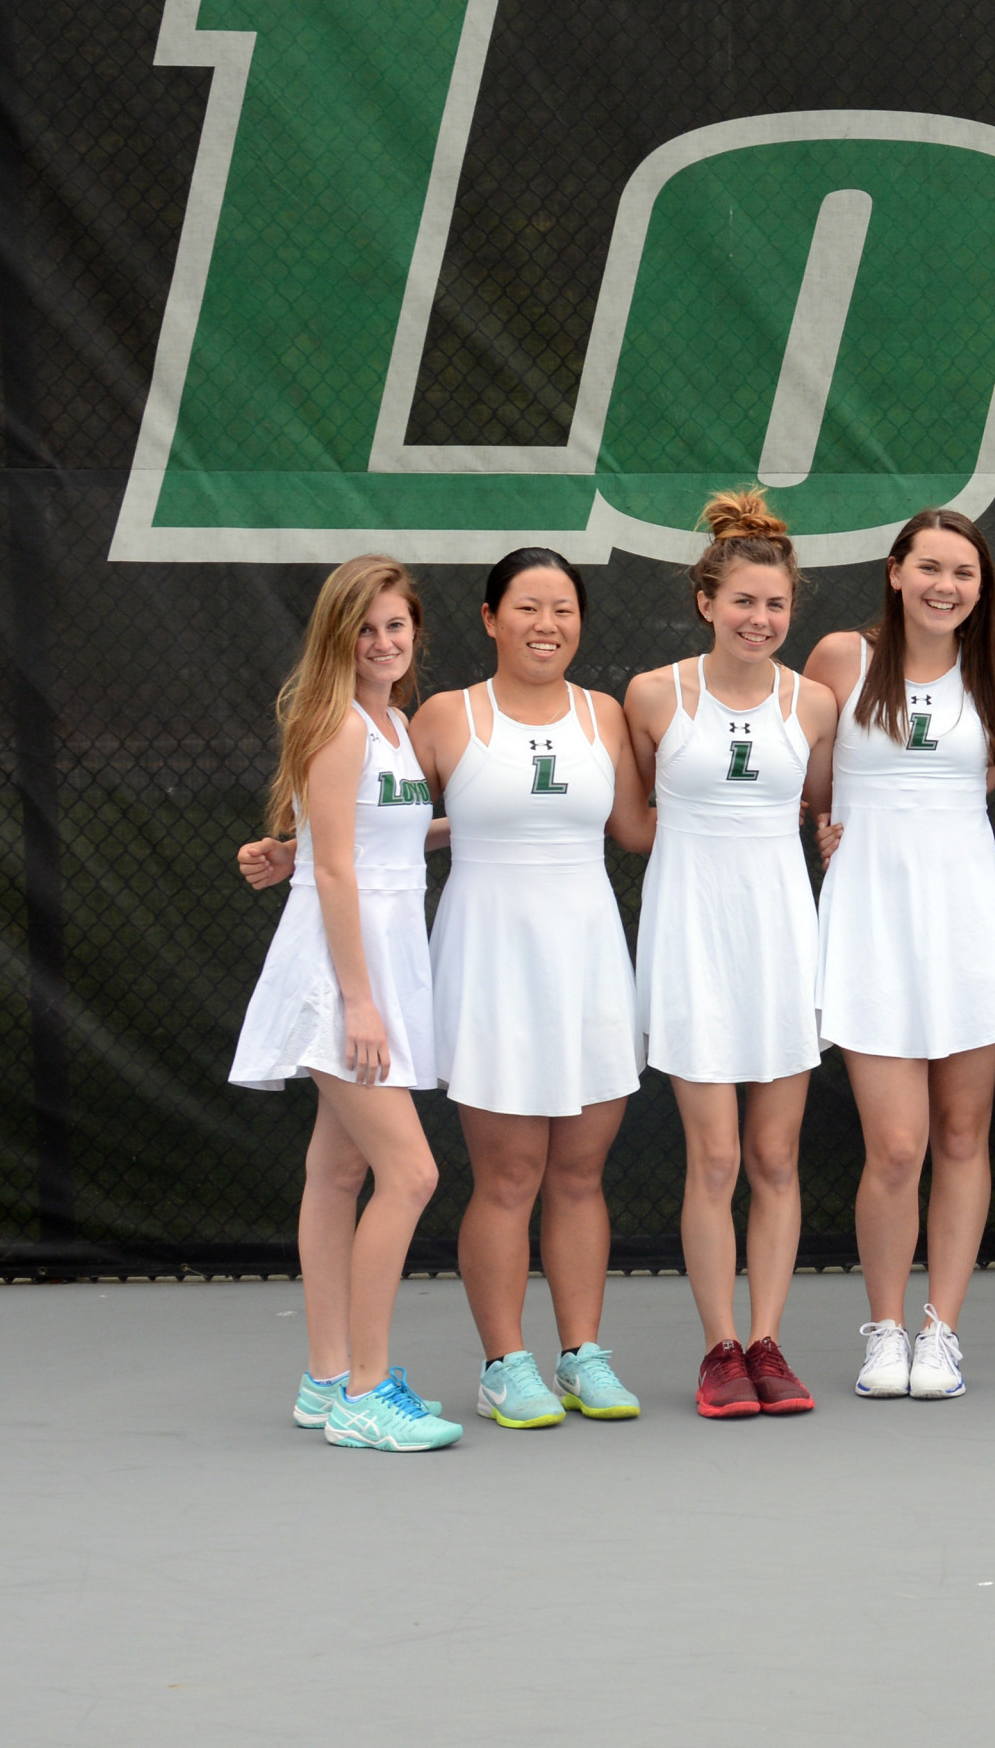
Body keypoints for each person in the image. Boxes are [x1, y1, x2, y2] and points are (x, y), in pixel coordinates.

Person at [258, 550, 658, 1425]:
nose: (546, 622)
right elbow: (343, 849)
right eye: (527, 606)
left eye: (563, 607)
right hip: (438, 967)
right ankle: (451, 1371)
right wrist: (305, 866)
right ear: (488, 618)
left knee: (358, 1170)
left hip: (576, 962)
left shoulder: (578, 715)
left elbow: (392, 831)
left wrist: (769, 810)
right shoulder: (426, 718)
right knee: (461, 1174)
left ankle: (564, 1356)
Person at [227, 555, 459, 1451]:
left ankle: (325, 1376)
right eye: (365, 628)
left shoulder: (394, 724)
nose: (383, 642)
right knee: (412, 1173)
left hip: (387, 962)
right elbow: (333, 866)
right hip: (342, 975)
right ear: (338, 637)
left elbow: (382, 838)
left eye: (396, 626)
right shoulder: (338, 727)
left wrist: (485, 820)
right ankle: (366, 1390)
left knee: (338, 1173)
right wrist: (358, 1002)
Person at [807, 510, 995, 1400]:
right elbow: (814, 781)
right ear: (896, 571)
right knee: (897, 1146)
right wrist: (833, 829)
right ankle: (886, 1330)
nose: (947, 586)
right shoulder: (838, 659)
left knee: (962, 1134)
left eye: (965, 574)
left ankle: (941, 1330)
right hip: (870, 925)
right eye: (931, 568)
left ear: (982, 589)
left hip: (971, 924)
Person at [626, 491, 837, 1419]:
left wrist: (830, 834)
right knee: (713, 1160)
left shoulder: (816, 703)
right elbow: (633, 824)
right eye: (743, 601)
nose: (760, 618)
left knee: (777, 1156)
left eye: (776, 604)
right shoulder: (651, 695)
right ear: (707, 600)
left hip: (783, 943)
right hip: (690, 941)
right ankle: (719, 1349)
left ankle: (767, 1342)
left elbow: (822, 809)